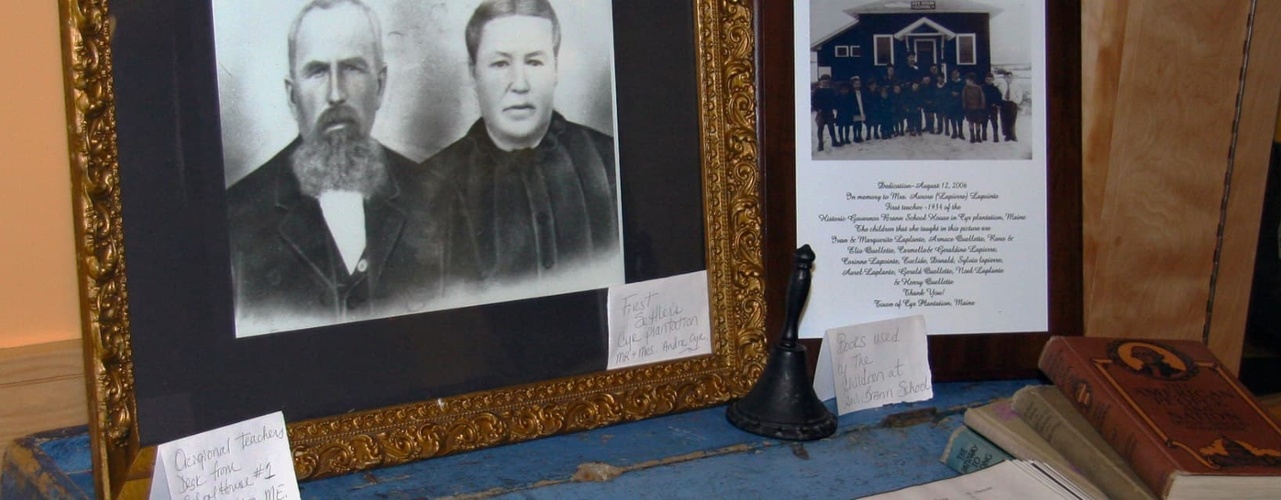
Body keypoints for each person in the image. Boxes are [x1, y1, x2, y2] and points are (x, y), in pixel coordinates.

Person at [226, 0, 479, 334]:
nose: (335, 94)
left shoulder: (440, 201)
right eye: (317, 71)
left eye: (351, 68)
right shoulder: (234, 220)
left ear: (380, 85)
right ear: (291, 96)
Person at [424, 0, 620, 284]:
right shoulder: (428, 188)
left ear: (555, 69)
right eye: (501, 63)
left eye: (534, 61)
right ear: (473, 72)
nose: (520, 84)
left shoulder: (610, 161)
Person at [811, 74, 839, 151]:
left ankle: (834, 141)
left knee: (831, 127)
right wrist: (817, 109)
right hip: (821, 113)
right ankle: (820, 144)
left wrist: (834, 107)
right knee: (820, 128)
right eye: (824, 82)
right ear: (820, 82)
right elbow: (813, 102)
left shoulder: (831, 90)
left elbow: (834, 100)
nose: (825, 83)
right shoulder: (817, 91)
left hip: (829, 112)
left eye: (827, 82)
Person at [962, 72, 987, 144]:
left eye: (967, 80)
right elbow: (964, 98)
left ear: (971, 81)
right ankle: (972, 136)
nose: (966, 81)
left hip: (977, 108)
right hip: (969, 108)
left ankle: (978, 136)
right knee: (970, 122)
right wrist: (965, 107)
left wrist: (982, 106)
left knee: (978, 122)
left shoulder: (978, 88)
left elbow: (982, 98)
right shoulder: (965, 89)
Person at [981, 73, 1004, 142]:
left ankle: (995, 136)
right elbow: (979, 97)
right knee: (984, 122)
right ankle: (984, 135)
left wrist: (996, 104)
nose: (989, 81)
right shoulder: (982, 88)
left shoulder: (995, 89)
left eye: (990, 79)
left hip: (993, 108)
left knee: (994, 122)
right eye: (987, 79)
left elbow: (999, 98)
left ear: (993, 80)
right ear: (985, 80)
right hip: (984, 108)